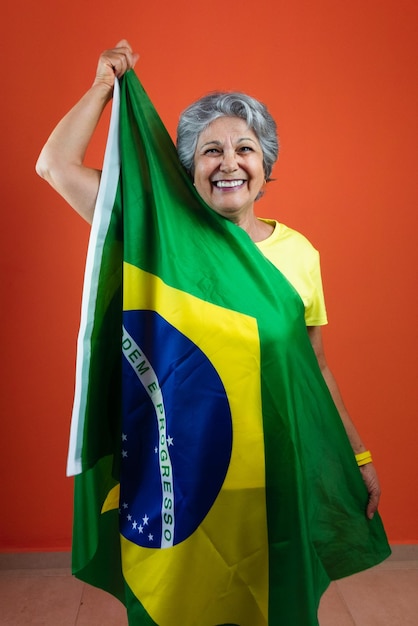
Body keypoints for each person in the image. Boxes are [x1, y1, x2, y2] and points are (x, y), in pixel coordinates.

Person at [36, 40, 387, 624]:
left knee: (271, 606)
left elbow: (315, 367)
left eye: (245, 149)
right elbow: (55, 166)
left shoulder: (298, 254)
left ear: (265, 167)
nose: (229, 162)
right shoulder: (159, 239)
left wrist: (357, 452)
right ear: (187, 169)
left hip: (273, 474)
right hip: (180, 482)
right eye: (210, 151)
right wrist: (103, 86)